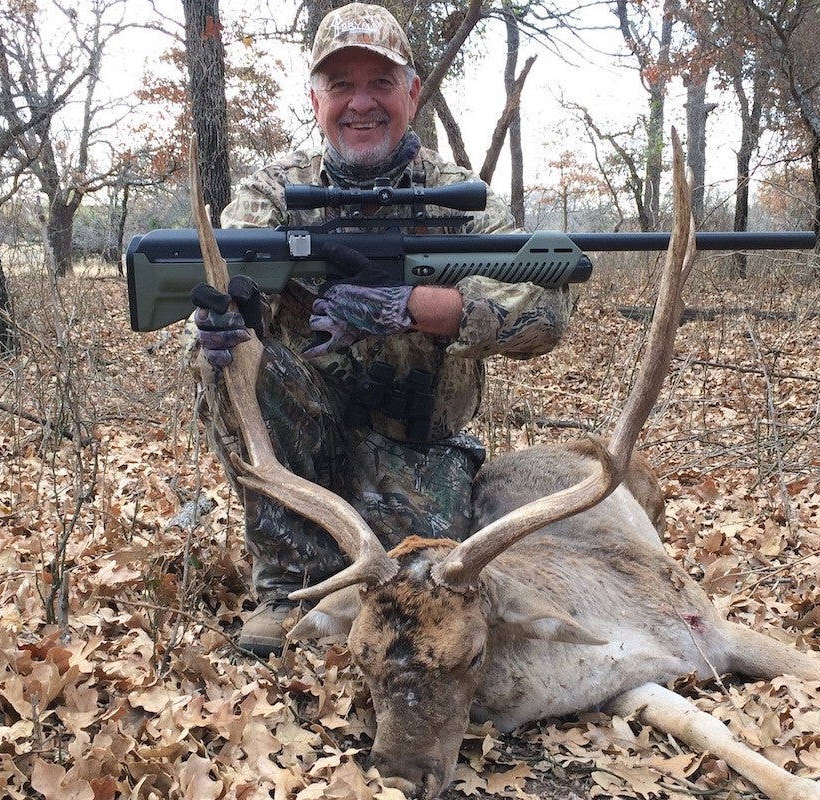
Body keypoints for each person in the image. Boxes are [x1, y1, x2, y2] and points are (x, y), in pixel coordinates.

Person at [190, 2, 572, 657]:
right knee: (224, 359)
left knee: (418, 592)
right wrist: (222, 324)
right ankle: (290, 585)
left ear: (412, 94)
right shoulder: (274, 193)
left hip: (421, 453)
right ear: (316, 101)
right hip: (308, 442)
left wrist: (412, 303)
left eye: (380, 83)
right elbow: (224, 267)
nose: (360, 103)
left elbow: (545, 311)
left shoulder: (463, 199)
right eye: (341, 85)